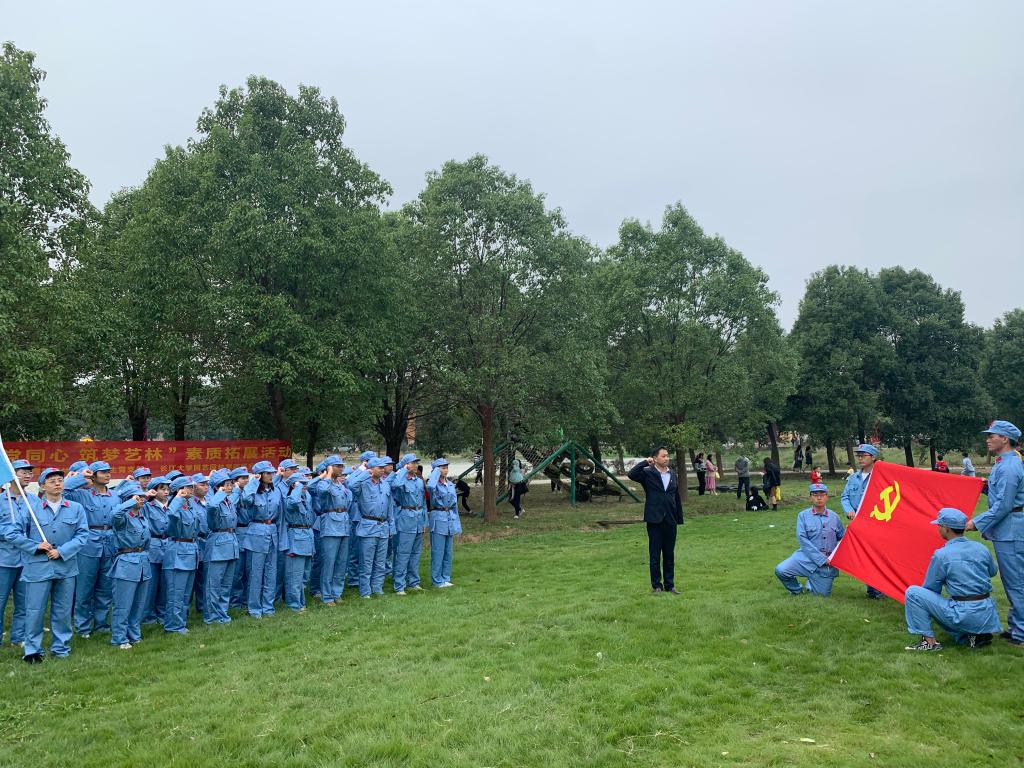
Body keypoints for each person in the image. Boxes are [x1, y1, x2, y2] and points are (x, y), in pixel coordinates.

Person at [1, 467, 88, 662]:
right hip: (38, 567)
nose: (57, 483)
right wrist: (35, 546)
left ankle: (61, 648)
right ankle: (32, 650)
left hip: (66, 567)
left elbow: (82, 535)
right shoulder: (31, 509)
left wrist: (61, 551)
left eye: (60, 480)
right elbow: (12, 533)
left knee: (63, 610)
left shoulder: (76, 508)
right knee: (34, 609)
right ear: (42, 486)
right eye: (52, 481)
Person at [903, 507, 1002, 651]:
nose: (938, 528)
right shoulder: (981, 548)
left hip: (964, 613)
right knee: (957, 603)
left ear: (946, 529)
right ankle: (974, 635)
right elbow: (992, 571)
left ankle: (929, 642)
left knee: (913, 593)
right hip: (987, 613)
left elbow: (931, 588)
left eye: (939, 525)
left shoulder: (942, 555)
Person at [966, 420, 1024, 647]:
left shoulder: (1010, 466)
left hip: (1011, 531)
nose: (988, 439)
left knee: (1016, 582)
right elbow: (1000, 494)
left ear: (1005, 439)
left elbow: (1004, 504)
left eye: (992, 435)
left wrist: (976, 523)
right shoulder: (1006, 462)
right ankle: (1017, 627)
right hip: (1008, 529)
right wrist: (983, 486)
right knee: (1013, 581)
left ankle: (1021, 632)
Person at [62, 460, 118, 638]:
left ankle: (101, 624)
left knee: (105, 588)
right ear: (93, 476)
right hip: (88, 545)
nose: (107, 474)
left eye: (108, 471)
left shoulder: (115, 495)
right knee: (84, 588)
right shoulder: (82, 494)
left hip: (110, 544)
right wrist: (81, 477)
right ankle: (83, 626)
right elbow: (64, 490)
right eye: (102, 472)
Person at [627, 447, 684, 594]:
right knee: (655, 555)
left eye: (667, 456)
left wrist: (679, 517)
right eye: (663, 456)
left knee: (669, 554)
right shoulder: (648, 473)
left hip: (670, 519)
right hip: (655, 519)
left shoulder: (673, 474)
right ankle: (656, 586)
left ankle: (670, 585)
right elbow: (631, 474)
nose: (667, 458)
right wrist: (645, 462)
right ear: (655, 458)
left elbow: (676, 497)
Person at [774, 483, 845, 596]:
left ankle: (811, 582)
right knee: (781, 570)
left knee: (821, 596)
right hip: (805, 558)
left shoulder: (834, 517)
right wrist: (820, 559)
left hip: (826, 565)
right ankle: (797, 590)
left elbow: (844, 539)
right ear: (810, 498)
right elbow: (803, 540)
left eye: (822, 494)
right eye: (815, 495)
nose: (819, 498)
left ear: (827, 497)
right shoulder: (803, 516)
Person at [109, 481, 152, 649]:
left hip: (143, 562)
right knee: (123, 604)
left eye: (142, 497)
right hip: (126, 563)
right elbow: (115, 514)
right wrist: (130, 502)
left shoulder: (142, 517)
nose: (141, 499)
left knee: (138, 604)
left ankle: (134, 634)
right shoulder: (123, 518)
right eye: (137, 497)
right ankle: (119, 638)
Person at [841, 443, 885, 599]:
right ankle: (872, 589)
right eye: (858, 456)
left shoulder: (880, 478)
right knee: (864, 556)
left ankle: (879, 589)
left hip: (875, 524)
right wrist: (849, 510)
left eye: (863, 455)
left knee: (876, 556)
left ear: (873, 457)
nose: (860, 458)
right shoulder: (853, 478)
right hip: (856, 523)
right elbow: (845, 496)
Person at [240, 461, 282, 618]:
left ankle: (268, 606)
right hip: (256, 533)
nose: (271, 476)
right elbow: (246, 500)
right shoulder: (252, 492)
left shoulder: (276, 491)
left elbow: (280, 515)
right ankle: (254, 608)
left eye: (272, 473)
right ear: (259, 475)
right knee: (255, 573)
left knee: (271, 573)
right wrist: (253, 482)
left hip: (272, 533)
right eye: (267, 473)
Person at [1, 459, 36, 648]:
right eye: (23, 471)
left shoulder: (34, 501)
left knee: (24, 603)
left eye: (29, 472)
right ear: (11, 474)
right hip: (4, 559)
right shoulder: (1, 500)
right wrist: (12, 534)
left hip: (27, 559)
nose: (27, 475)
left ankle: (18, 638)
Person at [349, 457, 393, 598]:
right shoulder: (363, 484)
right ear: (371, 469)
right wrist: (365, 473)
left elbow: (390, 507)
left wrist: (391, 527)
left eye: (383, 468)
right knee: (366, 562)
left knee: (380, 562)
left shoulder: (385, 484)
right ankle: (365, 591)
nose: (382, 470)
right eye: (379, 468)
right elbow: (351, 485)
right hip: (368, 526)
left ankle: (377, 588)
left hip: (383, 526)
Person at [310, 456, 351, 605]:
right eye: (337, 466)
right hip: (330, 525)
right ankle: (327, 595)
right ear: (329, 468)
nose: (341, 468)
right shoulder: (324, 483)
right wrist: (326, 475)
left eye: (341, 465)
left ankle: (336, 592)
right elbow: (317, 489)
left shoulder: (340, 484)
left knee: (341, 562)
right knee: (329, 562)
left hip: (344, 525)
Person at [163, 475, 200, 634]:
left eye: (192, 486)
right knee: (176, 593)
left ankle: (181, 622)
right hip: (178, 551)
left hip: (190, 550)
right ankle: (173, 626)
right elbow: (170, 515)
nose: (192, 489)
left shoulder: (190, 505)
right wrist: (178, 498)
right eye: (189, 487)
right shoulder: (175, 504)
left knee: (185, 593)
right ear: (180, 490)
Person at [203, 470, 240, 625]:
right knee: (214, 584)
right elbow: (211, 506)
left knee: (226, 584)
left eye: (230, 484)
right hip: (218, 544)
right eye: (226, 485)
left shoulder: (228, 502)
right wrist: (220, 493)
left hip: (231, 543)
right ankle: (211, 616)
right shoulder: (214, 501)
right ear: (218, 487)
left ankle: (222, 614)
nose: (229, 487)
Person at [389, 453, 428, 594]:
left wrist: (424, 522)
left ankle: (413, 582)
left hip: (418, 520)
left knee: (415, 553)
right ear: (406, 465)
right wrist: (403, 470)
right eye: (413, 463)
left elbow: (423, 503)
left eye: (416, 463)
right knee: (403, 553)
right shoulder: (400, 479)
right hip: (405, 519)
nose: (416, 465)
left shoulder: (418, 481)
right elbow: (395, 485)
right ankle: (399, 585)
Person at [281, 473, 315, 612]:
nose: (305, 485)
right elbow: (294, 501)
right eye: (301, 483)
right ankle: (294, 604)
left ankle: (301, 602)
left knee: (304, 574)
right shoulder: (290, 498)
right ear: (294, 485)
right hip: (296, 538)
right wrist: (297, 488)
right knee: (294, 575)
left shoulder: (305, 498)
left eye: (305, 483)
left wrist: (301, 488)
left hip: (307, 536)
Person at [426, 458, 460, 588]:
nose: (445, 470)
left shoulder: (450, 484)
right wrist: (435, 472)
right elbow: (430, 487)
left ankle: (446, 577)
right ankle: (437, 580)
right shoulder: (433, 484)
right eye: (442, 468)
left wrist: (457, 524)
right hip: (438, 518)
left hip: (449, 518)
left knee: (448, 552)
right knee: (438, 551)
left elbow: (455, 506)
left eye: (446, 468)